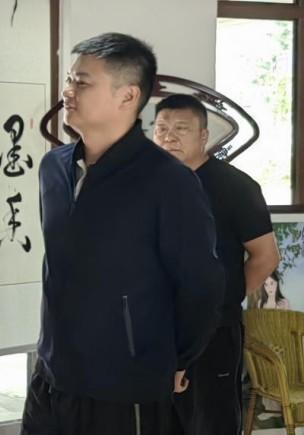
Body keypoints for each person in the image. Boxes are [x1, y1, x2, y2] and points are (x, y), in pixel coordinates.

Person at [22, 33, 224, 434]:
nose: (67, 91)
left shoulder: (168, 181)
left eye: (82, 82)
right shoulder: (54, 168)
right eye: (69, 79)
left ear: (128, 96)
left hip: (125, 387)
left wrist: (176, 359)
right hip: (52, 377)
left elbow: (202, 285)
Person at [153, 93, 279, 435]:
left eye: (181, 129)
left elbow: (266, 256)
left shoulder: (235, 186)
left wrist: (222, 299)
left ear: (204, 136)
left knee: (211, 422)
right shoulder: (148, 184)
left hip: (212, 331)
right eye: (161, 129)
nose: (169, 137)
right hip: (156, 328)